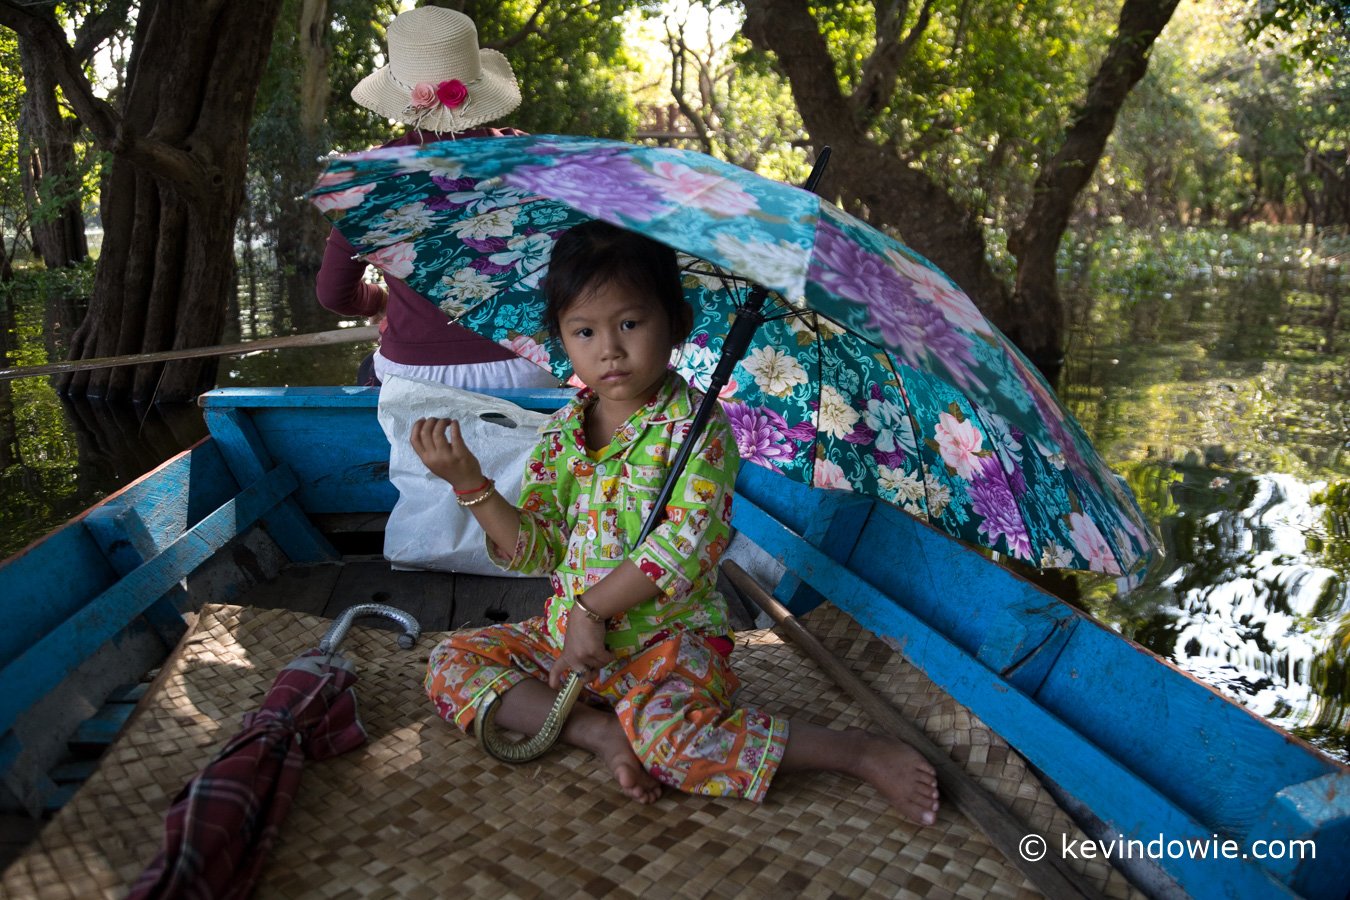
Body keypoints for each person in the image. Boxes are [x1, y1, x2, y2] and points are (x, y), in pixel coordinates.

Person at [414, 221, 941, 825]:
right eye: (584, 331)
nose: (609, 348)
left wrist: (591, 611)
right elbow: (537, 550)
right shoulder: (561, 433)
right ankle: (598, 732)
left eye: (630, 324)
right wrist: (472, 487)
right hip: (569, 648)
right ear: (562, 340)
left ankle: (854, 752)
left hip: (667, 649)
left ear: (678, 324)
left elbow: (686, 544)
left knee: (671, 744)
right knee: (450, 662)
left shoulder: (698, 430)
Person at [317, 6, 558, 390]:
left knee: (368, 372)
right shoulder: (530, 157)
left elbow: (332, 294)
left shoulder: (368, 177)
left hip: (414, 372)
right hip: (528, 366)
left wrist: (378, 302)